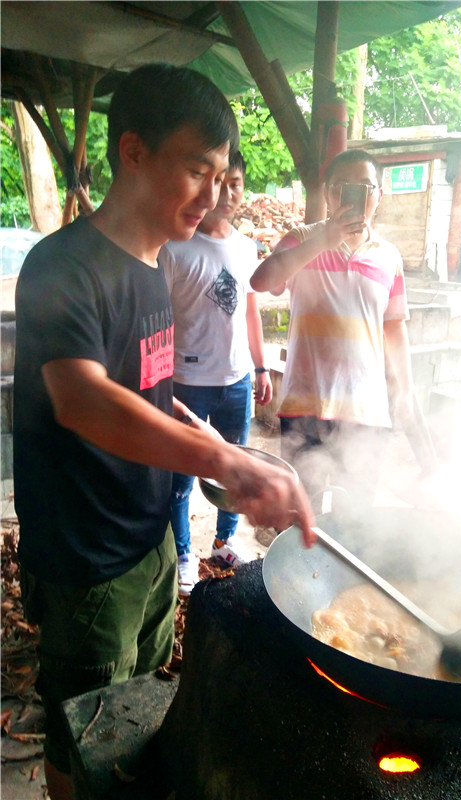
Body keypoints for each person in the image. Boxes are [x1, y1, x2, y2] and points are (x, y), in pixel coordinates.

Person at [13, 63, 315, 800]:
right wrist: (228, 464)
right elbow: (83, 399)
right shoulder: (63, 266)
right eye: (196, 170)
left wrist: (220, 451)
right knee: (81, 729)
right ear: (134, 152)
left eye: (220, 174)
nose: (213, 194)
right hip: (87, 555)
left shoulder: (154, 266)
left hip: (146, 539)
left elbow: (147, 391)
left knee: (134, 707)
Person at [250, 148, 437, 510]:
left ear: (379, 195)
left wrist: (405, 391)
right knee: (300, 517)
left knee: (355, 524)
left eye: (365, 187)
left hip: (366, 414)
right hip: (305, 406)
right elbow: (261, 280)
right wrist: (325, 239)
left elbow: (394, 328)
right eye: (342, 186)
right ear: (328, 193)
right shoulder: (302, 238)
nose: (354, 196)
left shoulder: (389, 257)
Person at [160, 152, 273, 591]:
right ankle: (183, 553)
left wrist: (260, 367)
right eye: (219, 181)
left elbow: (250, 312)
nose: (226, 192)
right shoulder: (175, 248)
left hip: (237, 380)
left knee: (233, 471)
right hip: (187, 383)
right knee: (180, 477)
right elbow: (160, 318)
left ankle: (225, 542)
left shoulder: (246, 248)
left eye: (235, 183)